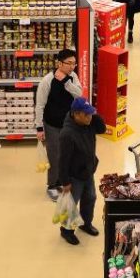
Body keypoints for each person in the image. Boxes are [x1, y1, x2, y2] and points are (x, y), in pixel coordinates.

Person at [57, 97, 106, 246]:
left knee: (90, 198)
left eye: (91, 114)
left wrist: (93, 113)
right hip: (74, 176)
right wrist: (65, 182)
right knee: (71, 204)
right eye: (86, 115)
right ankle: (66, 230)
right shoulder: (67, 134)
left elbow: (102, 129)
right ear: (76, 114)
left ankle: (85, 223)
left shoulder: (89, 122)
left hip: (88, 170)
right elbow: (62, 161)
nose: (90, 118)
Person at [35, 49, 82, 201]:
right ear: (59, 63)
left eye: (74, 63)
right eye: (69, 63)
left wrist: (66, 81)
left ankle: (64, 182)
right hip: (52, 125)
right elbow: (40, 105)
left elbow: (79, 94)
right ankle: (52, 185)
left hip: (69, 124)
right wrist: (39, 128)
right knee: (55, 156)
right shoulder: (47, 80)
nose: (72, 67)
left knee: (69, 154)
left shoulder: (73, 77)